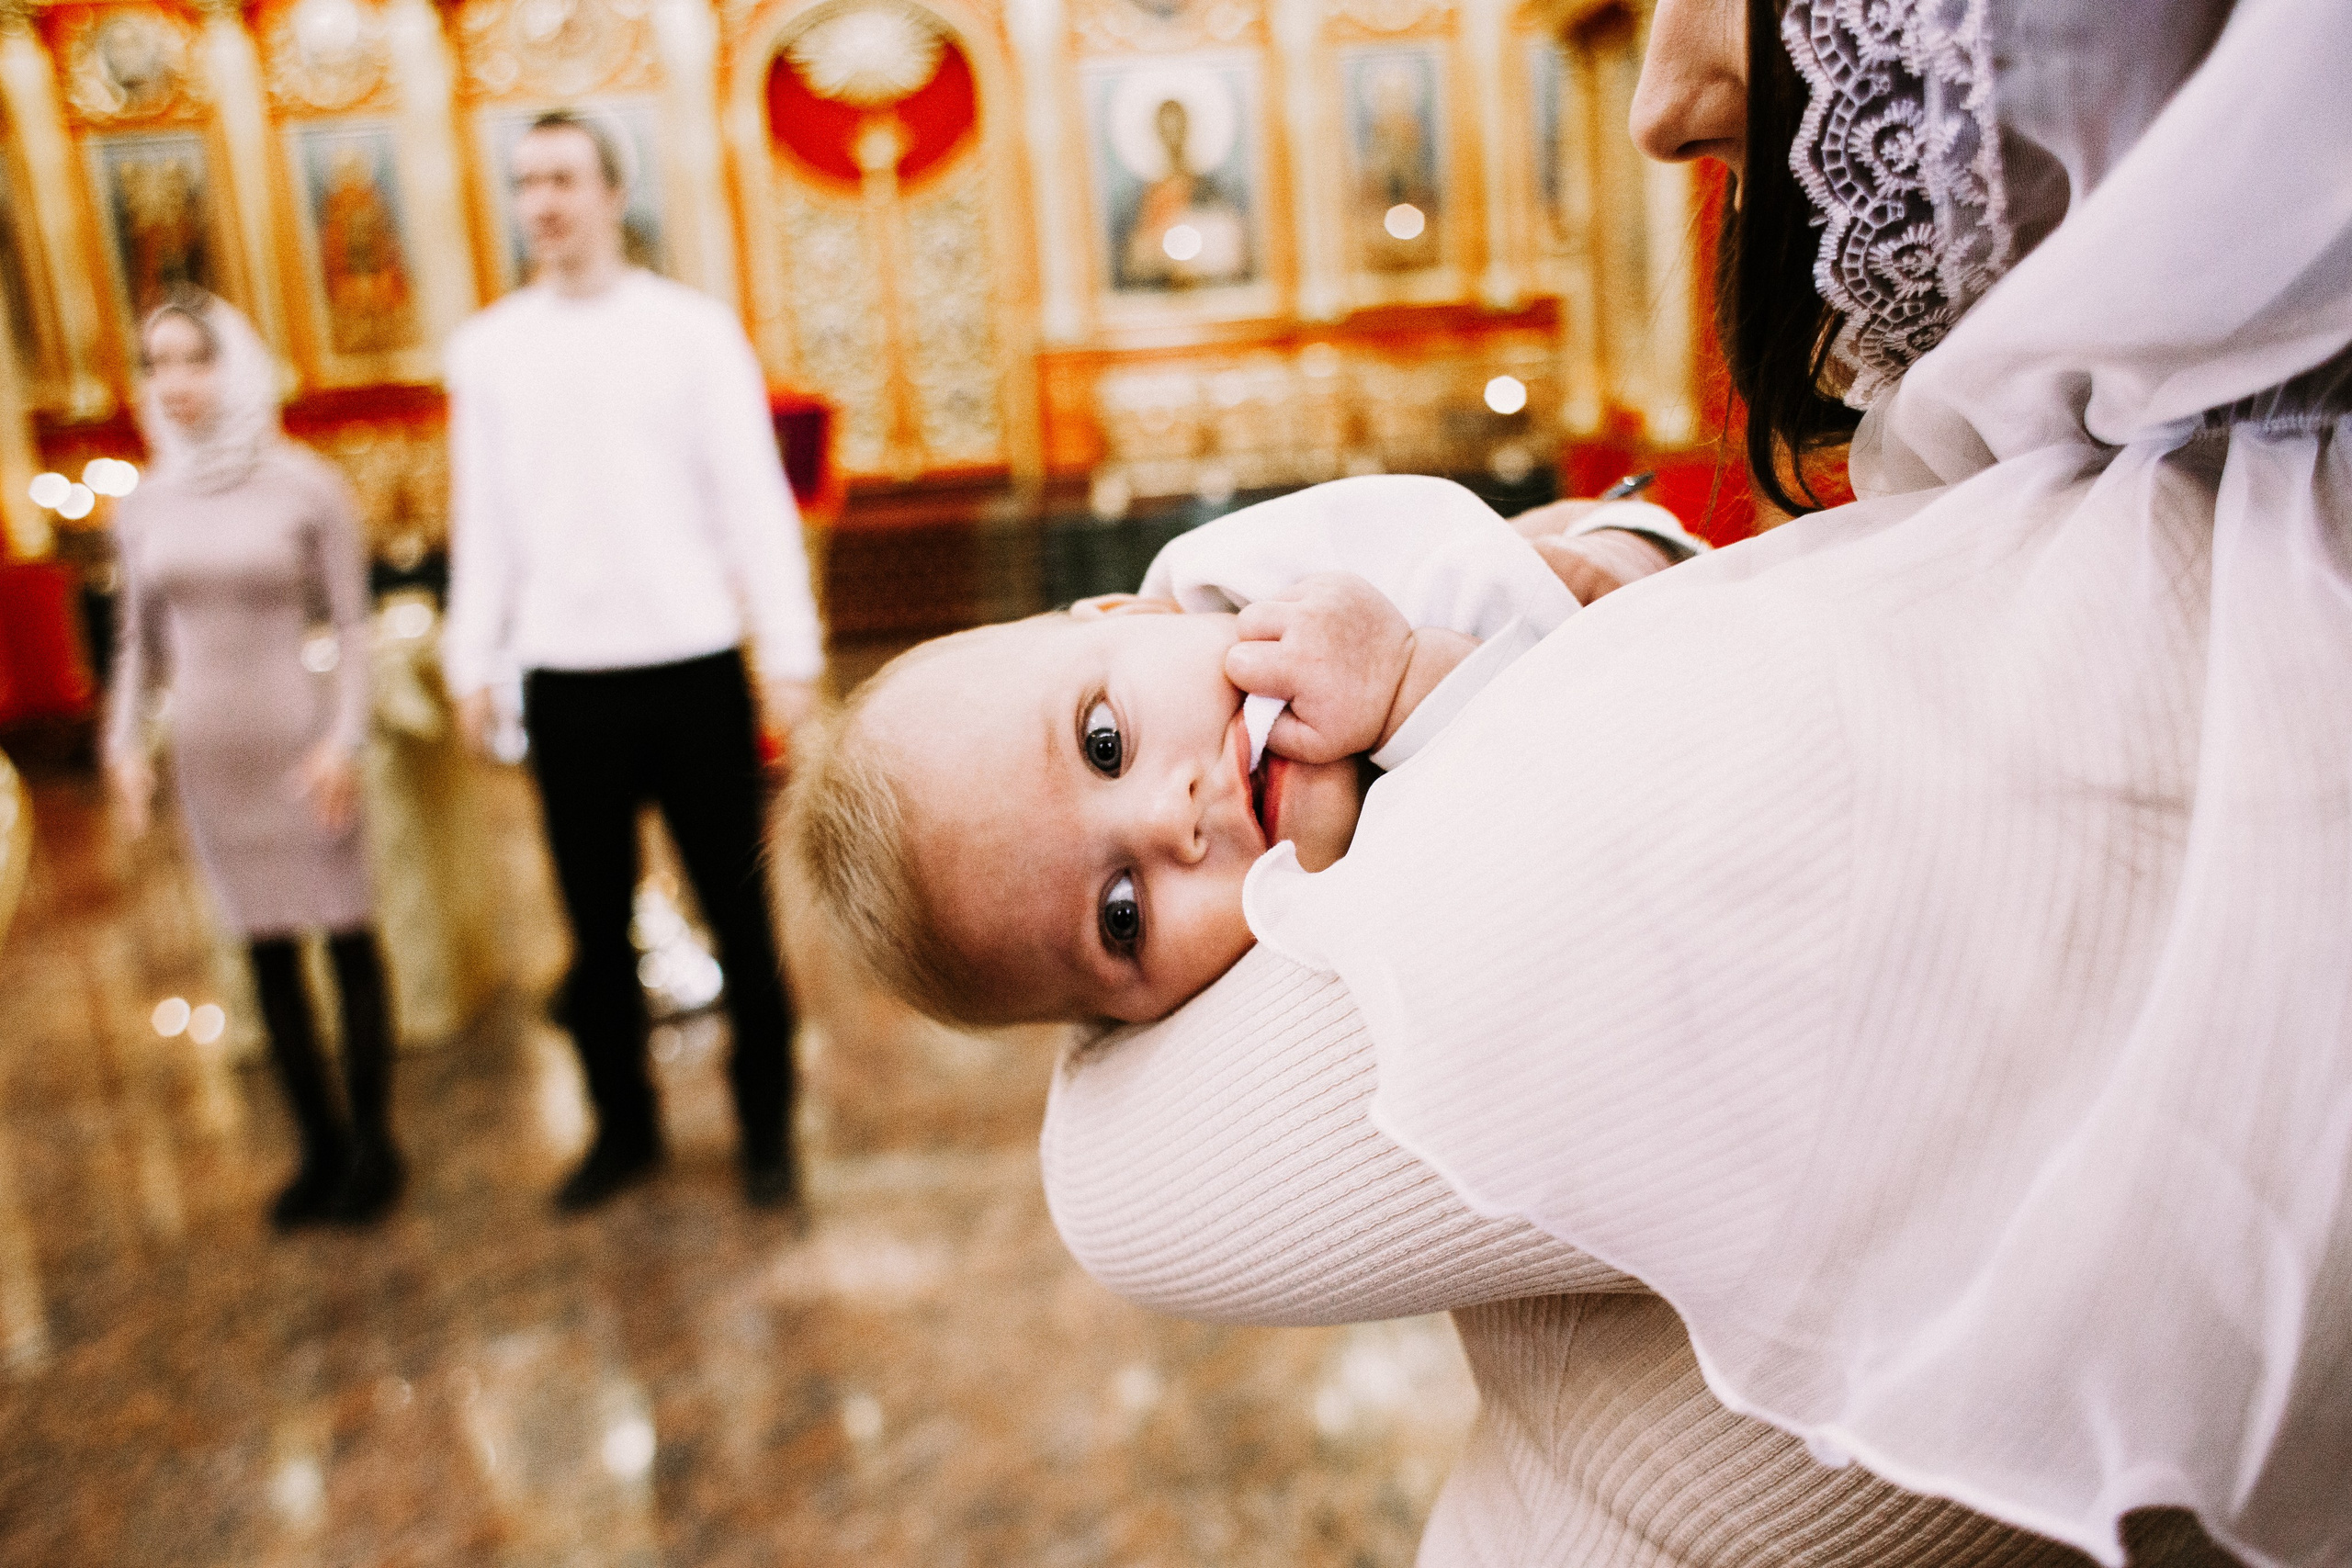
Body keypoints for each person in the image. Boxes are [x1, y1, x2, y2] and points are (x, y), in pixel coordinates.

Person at [1044, 0, 2352, 1564]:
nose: (1661, 105)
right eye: (1118, 905)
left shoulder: (2136, 651)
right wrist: (1599, 584)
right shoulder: (2126, 542)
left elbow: (1120, 1175)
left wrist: (1463, 695)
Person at [787, 475, 1699, 1026]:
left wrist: (1409, 673)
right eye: (1121, 917)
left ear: (1134, 611)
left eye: (1104, 743)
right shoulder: (1285, 979)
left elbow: (1610, 728)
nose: (1169, 817)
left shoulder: (1279, 577)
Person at [442, 110, 823, 1212]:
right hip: (566, 677)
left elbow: (752, 503)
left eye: (564, 178)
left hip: (691, 664)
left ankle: (766, 1128)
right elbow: (485, 523)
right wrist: (473, 658)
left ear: (614, 193)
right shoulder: (490, 351)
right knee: (593, 929)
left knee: (739, 916)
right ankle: (622, 1129)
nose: (544, 201)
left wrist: (787, 647)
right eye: (527, 182)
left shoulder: (691, 333)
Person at [106, 292, 404, 1230]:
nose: (176, 381)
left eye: (194, 358)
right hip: (211, 757)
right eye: (157, 363)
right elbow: (136, 642)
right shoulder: (143, 502)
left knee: (345, 935)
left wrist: (344, 738)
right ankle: (317, 1145)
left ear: (233, 366)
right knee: (264, 948)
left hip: (302, 745)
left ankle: (375, 1143)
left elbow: (351, 627)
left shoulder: (305, 484)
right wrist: (123, 742)